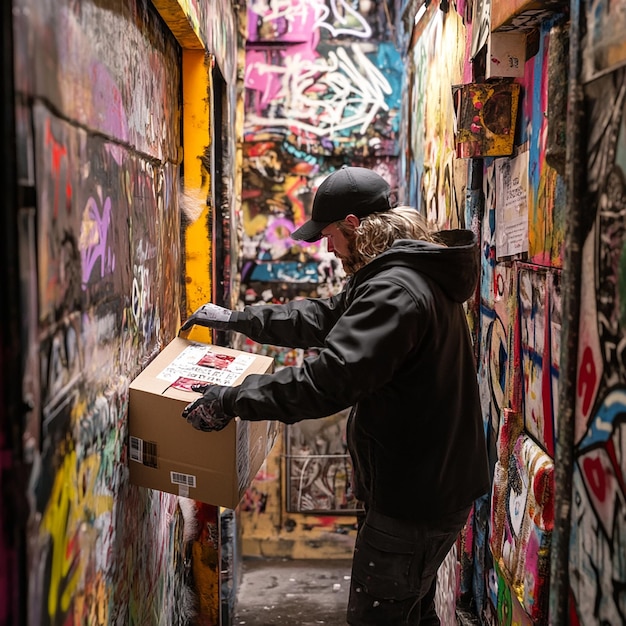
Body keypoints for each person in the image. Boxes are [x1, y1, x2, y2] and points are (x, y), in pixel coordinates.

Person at [179, 166, 490, 625]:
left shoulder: (395, 291)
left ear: (353, 225)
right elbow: (323, 317)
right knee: (412, 613)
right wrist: (237, 319)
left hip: (414, 502)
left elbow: (327, 381)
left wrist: (231, 399)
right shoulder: (397, 275)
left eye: (328, 235)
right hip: (426, 490)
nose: (327, 247)